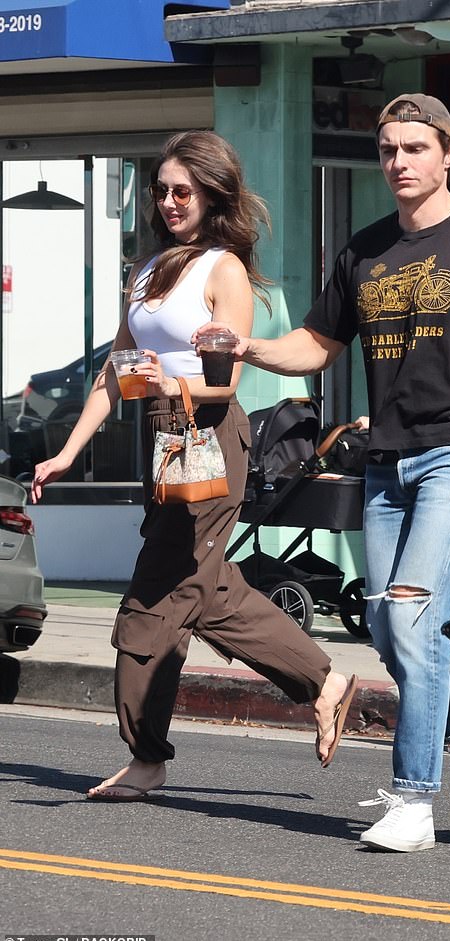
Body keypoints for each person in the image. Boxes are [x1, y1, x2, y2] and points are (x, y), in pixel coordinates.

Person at [193, 93, 450, 852]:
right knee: (387, 623)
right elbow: (315, 344)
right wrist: (247, 348)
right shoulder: (364, 248)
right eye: (389, 149)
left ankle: (412, 798)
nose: (399, 162)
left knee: (410, 612)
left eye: (414, 148)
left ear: (448, 154)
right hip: (386, 462)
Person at [30, 130, 357, 802]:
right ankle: (322, 681)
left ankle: (149, 755)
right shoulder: (148, 272)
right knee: (209, 590)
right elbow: (113, 374)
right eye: (162, 190)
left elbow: (224, 385)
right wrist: (67, 452)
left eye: (184, 190)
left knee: (157, 598)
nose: (170, 201)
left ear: (212, 196)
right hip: (164, 443)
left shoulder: (224, 271)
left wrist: (166, 387)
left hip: (209, 436)